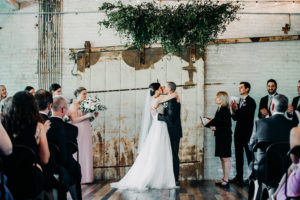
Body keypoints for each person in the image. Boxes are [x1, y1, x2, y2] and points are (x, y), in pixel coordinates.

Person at [111, 82, 179, 190]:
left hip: (162, 126)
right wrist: (176, 94)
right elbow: (172, 96)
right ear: (156, 90)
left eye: (163, 87)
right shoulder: (157, 99)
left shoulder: (159, 98)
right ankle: (152, 176)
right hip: (159, 126)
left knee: (161, 152)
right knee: (155, 152)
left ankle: (161, 177)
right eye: (161, 87)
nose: (162, 88)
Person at [2, 91, 50, 198]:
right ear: (33, 106)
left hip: (8, 176)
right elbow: (45, 159)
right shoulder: (38, 126)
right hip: (30, 178)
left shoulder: (4, 125)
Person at [249, 95, 296, 180]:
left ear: (272, 106)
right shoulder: (293, 126)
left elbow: (251, 146)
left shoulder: (259, 123)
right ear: (286, 108)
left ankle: (256, 191)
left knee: (251, 165)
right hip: (285, 169)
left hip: (263, 169)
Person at [47, 96, 82, 200]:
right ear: (63, 110)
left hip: (48, 166)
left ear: (50, 108)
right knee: (76, 168)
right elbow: (73, 149)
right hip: (66, 167)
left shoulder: (43, 126)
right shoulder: (72, 129)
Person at [68, 87, 96, 184]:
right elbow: (73, 120)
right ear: (78, 94)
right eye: (84, 93)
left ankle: (87, 177)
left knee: (87, 151)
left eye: (86, 94)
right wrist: (86, 116)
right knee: (81, 151)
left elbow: (89, 118)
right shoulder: (74, 105)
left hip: (86, 128)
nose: (85, 95)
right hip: (79, 129)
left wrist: (92, 116)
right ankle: (80, 177)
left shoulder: (86, 104)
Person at [204, 91, 232, 188]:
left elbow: (228, 125)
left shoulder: (225, 110)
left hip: (225, 137)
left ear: (222, 99)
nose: (215, 99)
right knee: (222, 157)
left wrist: (215, 127)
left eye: (217, 97)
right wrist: (211, 122)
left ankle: (226, 179)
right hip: (220, 136)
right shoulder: (219, 109)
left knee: (225, 158)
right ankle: (224, 178)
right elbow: (220, 122)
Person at [230, 82, 256, 185]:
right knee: (238, 155)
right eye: (239, 87)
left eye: (241, 87)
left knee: (249, 156)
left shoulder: (251, 101)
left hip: (247, 133)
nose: (239, 89)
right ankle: (239, 176)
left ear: (247, 89)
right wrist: (233, 110)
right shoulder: (239, 100)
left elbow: (246, 116)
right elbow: (236, 118)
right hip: (238, 132)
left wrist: (237, 109)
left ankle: (251, 178)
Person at [157, 82, 182, 184]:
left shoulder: (173, 100)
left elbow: (170, 118)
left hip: (173, 131)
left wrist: (157, 116)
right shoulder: (169, 98)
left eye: (165, 86)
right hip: (167, 131)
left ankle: (175, 179)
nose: (163, 87)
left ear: (170, 89)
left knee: (173, 155)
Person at [272, 127, 300, 200]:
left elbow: (295, 160)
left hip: (296, 189)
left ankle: (275, 194)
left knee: (292, 167)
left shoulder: (296, 131)